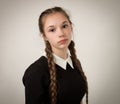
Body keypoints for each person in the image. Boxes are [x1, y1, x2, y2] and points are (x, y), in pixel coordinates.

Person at [22, 6, 88, 104]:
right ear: (44, 36)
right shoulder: (35, 72)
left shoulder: (75, 63)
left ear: (71, 27)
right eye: (52, 30)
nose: (61, 33)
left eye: (64, 26)